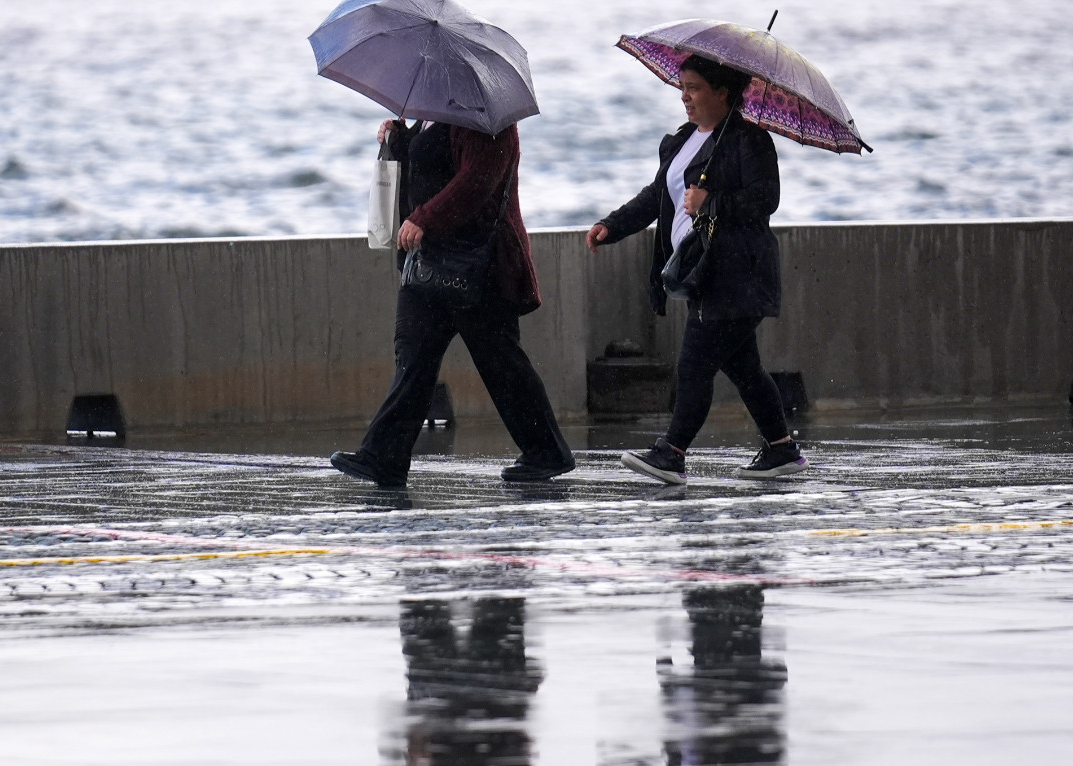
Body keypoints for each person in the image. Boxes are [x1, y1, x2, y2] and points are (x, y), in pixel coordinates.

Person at [587, 54, 807, 485]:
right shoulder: (683, 140)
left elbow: (766, 200)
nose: (684, 96)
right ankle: (782, 449)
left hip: (737, 275)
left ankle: (672, 452)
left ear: (723, 93)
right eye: (682, 87)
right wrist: (611, 225)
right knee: (744, 368)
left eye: (695, 88)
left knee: (695, 365)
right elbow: (657, 197)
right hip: (700, 273)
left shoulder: (749, 141)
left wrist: (712, 203)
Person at [330, 118, 574, 488]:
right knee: (412, 357)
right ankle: (385, 457)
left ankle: (547, 452)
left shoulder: (487, 120)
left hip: (479, 267)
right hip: (428, 263)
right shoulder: (435, 111)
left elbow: (476, 182)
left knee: (502, 364)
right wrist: (400, 137)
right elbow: (429, 165)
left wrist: (425, 218)